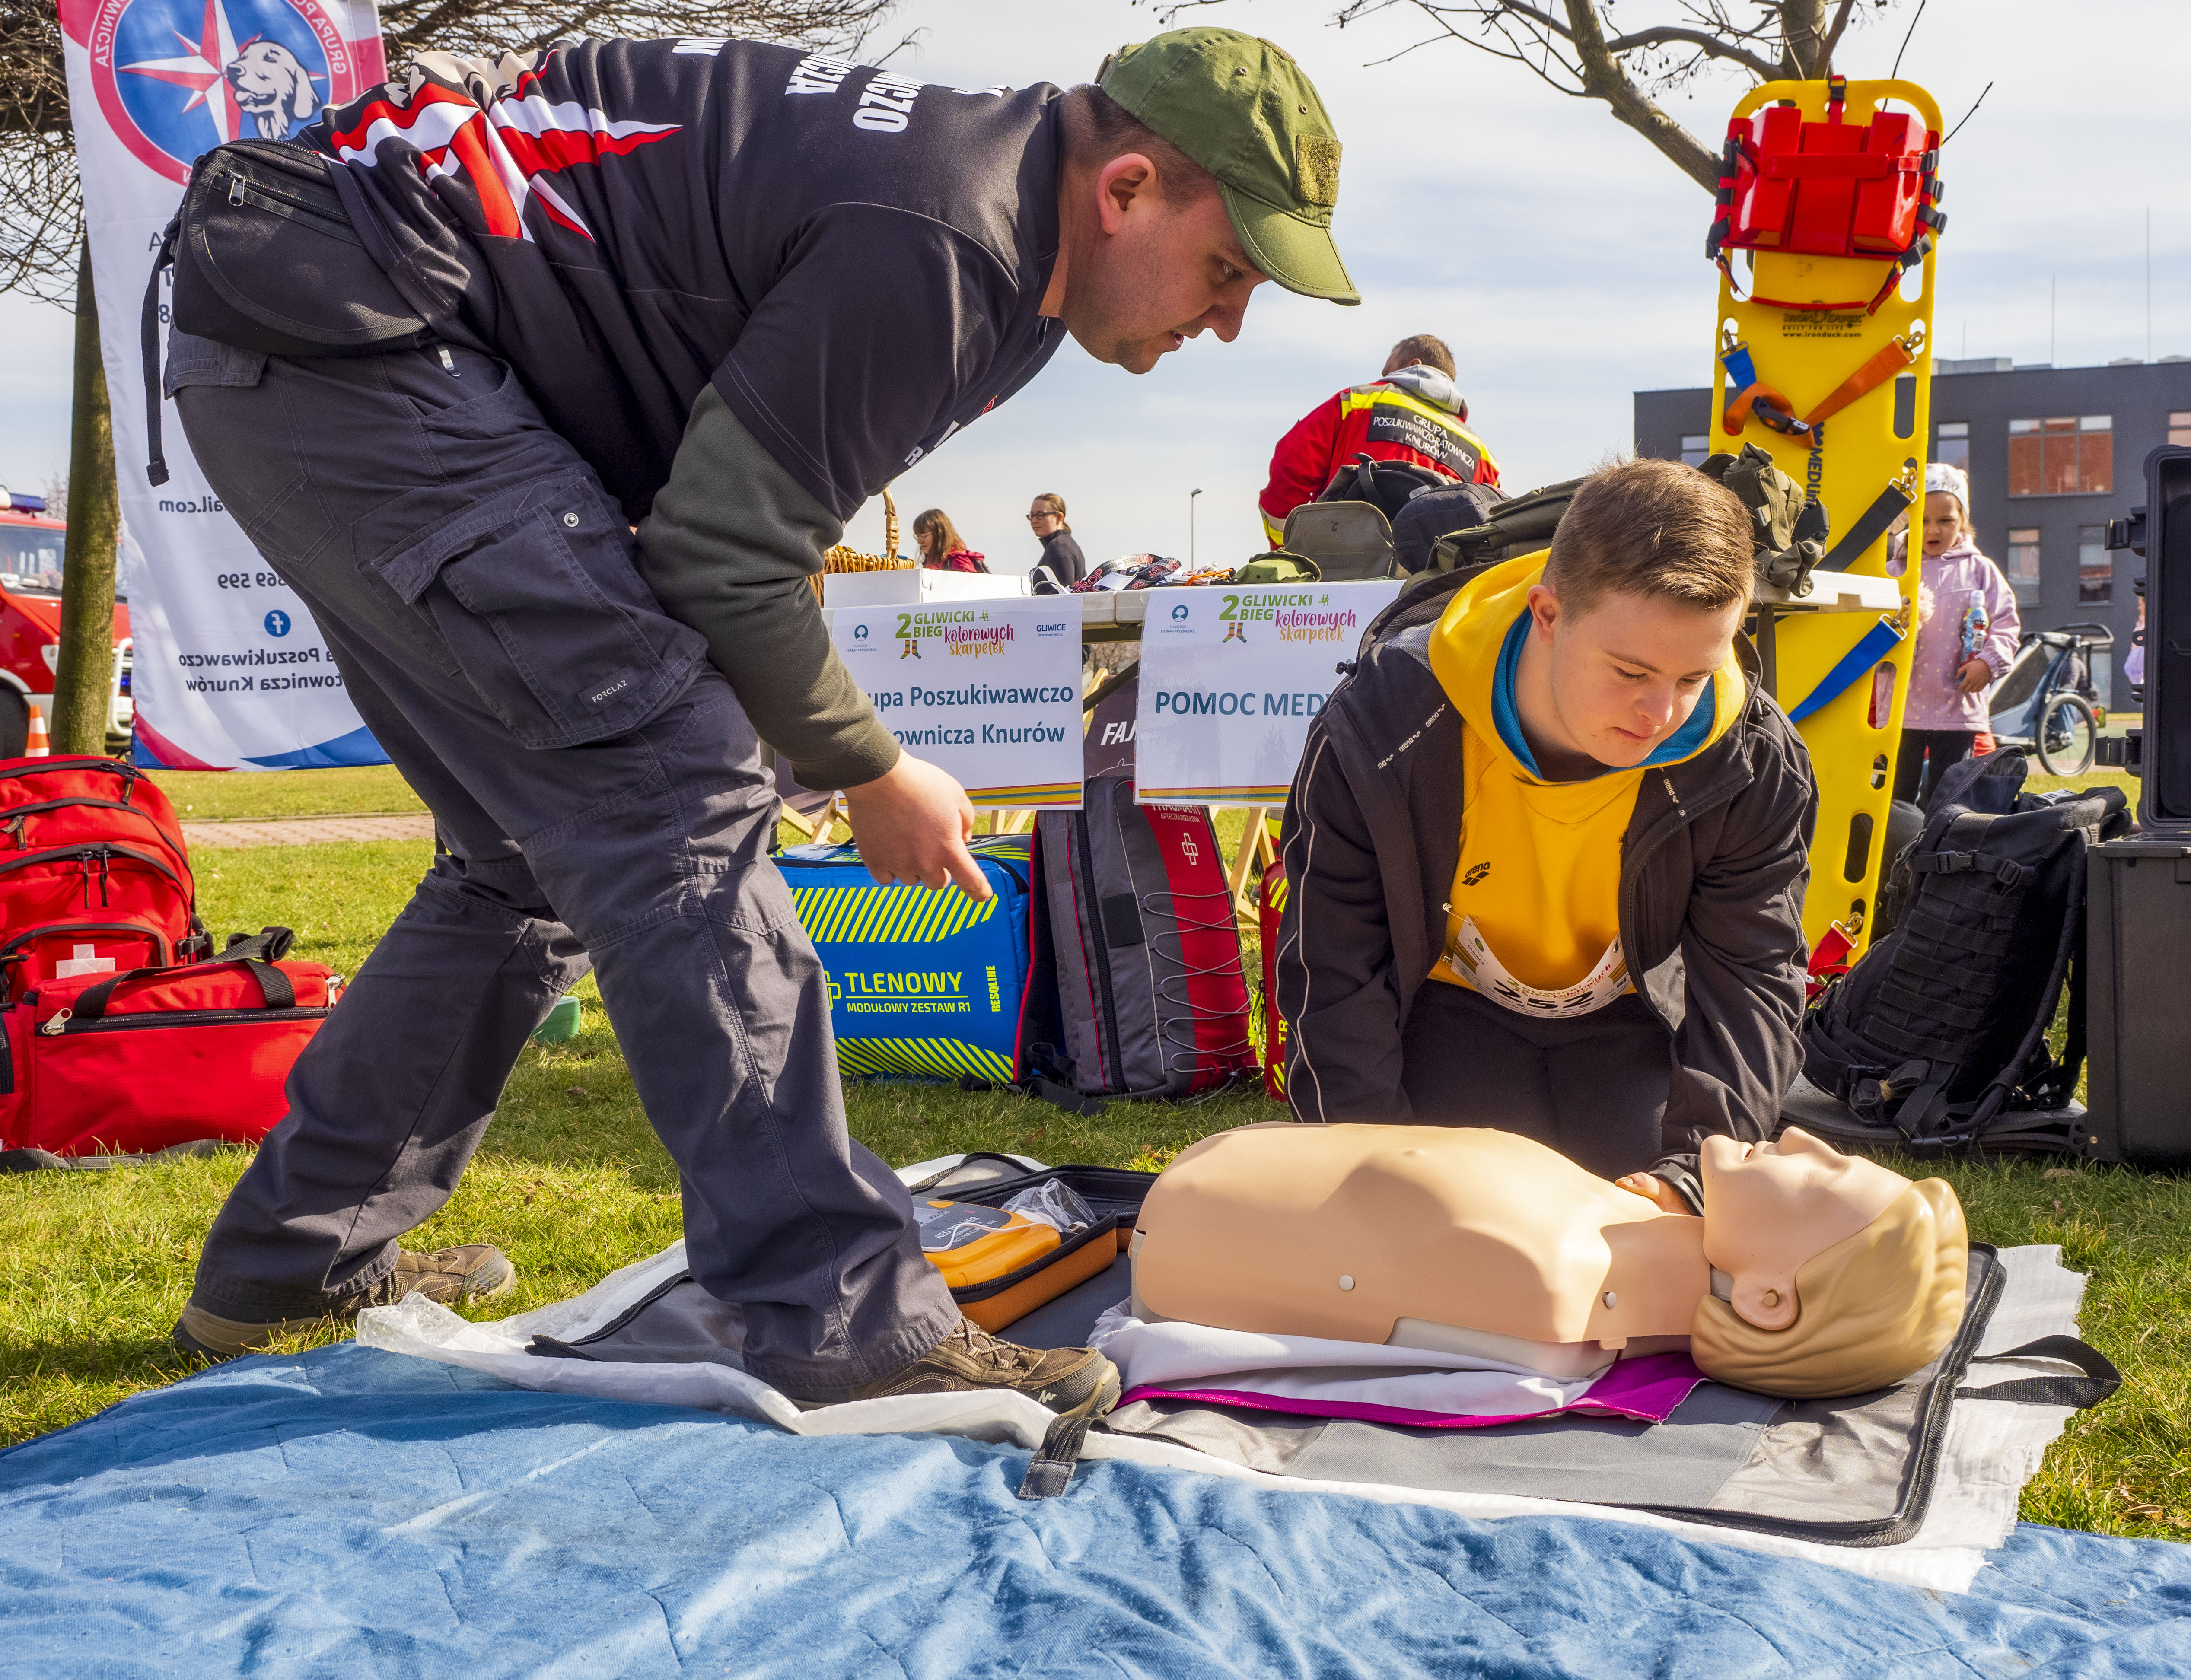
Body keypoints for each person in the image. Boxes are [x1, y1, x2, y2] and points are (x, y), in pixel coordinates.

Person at [160, 25, 1358, 1420]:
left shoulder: (991, 221)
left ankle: (285, 1265)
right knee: (678, 794)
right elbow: (721, 550)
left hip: (303, 320)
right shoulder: (948, 236)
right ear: (1130, 188)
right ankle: (838, 1317)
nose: (1226, 323)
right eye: (1229, 271)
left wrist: (811, 724)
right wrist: (866, 762)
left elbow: (735, 515)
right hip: (358, 337)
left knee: (522, 855)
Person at [1275, 458, 1818, 1212]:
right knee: (1453, 1214)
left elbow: (1752, 979)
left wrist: (1690, 1172)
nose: (1659, 714)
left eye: (1691, 677)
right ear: (1546, 612)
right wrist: (1367, 1171)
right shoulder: (1382, 724)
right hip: (1440, 1014)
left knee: (1619, 1214)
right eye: (1629, 671)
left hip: (1630, 1021)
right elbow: (1333, 967)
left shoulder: (1750, 756)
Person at [1129, 1122, 1967, 1399]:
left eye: (1822, 1179)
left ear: (1768, 1301)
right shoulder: (1619, 1229)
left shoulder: (1546, 1277)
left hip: (1196, 1205)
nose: (1802, 1137)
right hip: (1221, 1179)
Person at [1257, 333, 1499, 545]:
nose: (1384, 378)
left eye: (1388, 371)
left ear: (1414, 365)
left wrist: (1288, 545)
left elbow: (1291, 464)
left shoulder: (1356, 402)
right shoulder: (1483, 456)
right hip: (1429, 587)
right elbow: (1492, 523)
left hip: (1346, 565)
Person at [1887, 463, 2020, 808]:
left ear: (1962, 520)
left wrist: (1988, 664)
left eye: (1945, 520)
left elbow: (2006, 623)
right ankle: (1895, 854)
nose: (1934, 530)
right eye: (1923, 521)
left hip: (1959, 702)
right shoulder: (1897, 569)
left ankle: (1939, 854)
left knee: (1948, 795)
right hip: (1903, 704)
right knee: (1897, 795)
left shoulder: (1980, 569)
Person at [1027, 492, 1085, 590]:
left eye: (1040, 515)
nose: (1034, 521)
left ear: (1059, 518)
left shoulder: (1060, 547)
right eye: (1032, 516)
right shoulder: (1062, 544)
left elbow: (1063, 598)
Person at [913, 508, 986, 573]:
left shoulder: (958, 561)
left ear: (939, 534)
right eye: (918, 536)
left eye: (924, 536)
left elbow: (973, 587)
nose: (919, 541)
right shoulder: (931, 561)